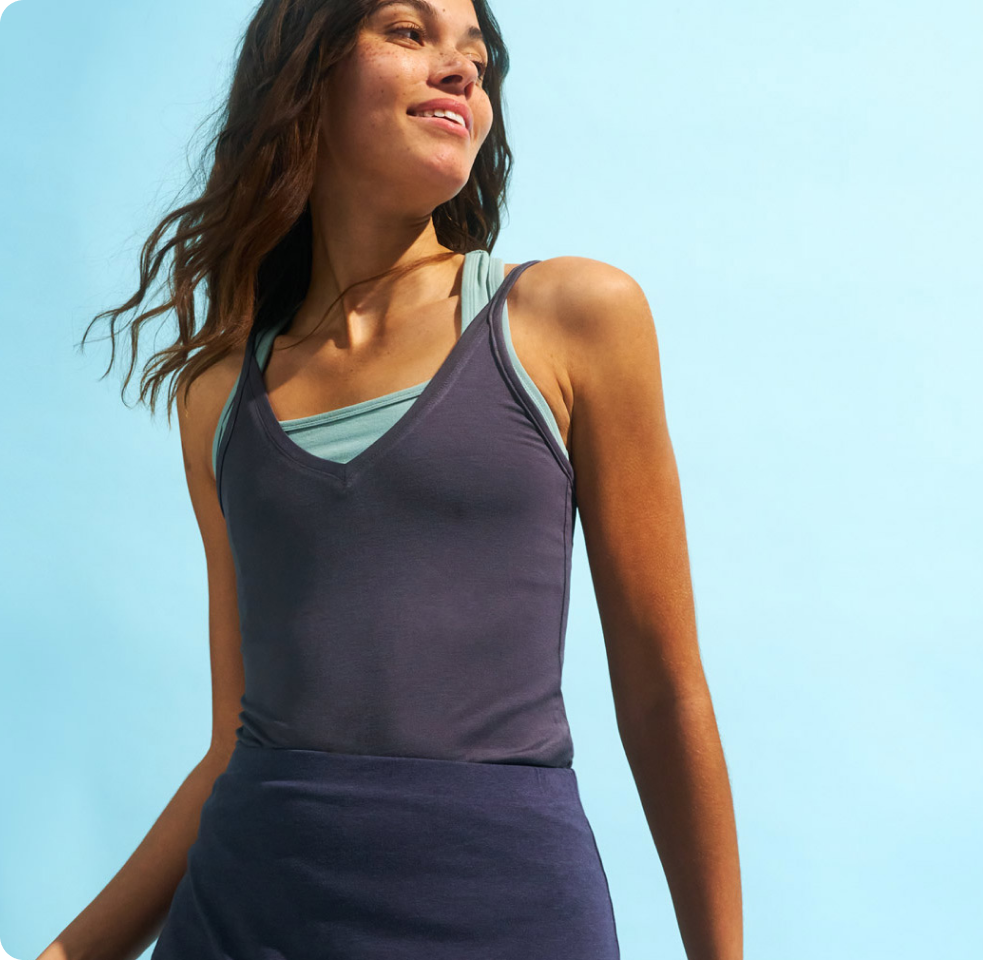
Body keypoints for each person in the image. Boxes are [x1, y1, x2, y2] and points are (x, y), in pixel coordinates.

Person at [42, 1, 741, 958]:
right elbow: (234, 743)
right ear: (306, 75)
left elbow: (663, 692)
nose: (461, 70)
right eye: (411, 34)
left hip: (504, 915)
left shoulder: (570, 318)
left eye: (477, 57)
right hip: (242, 916)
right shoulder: (219, 397)